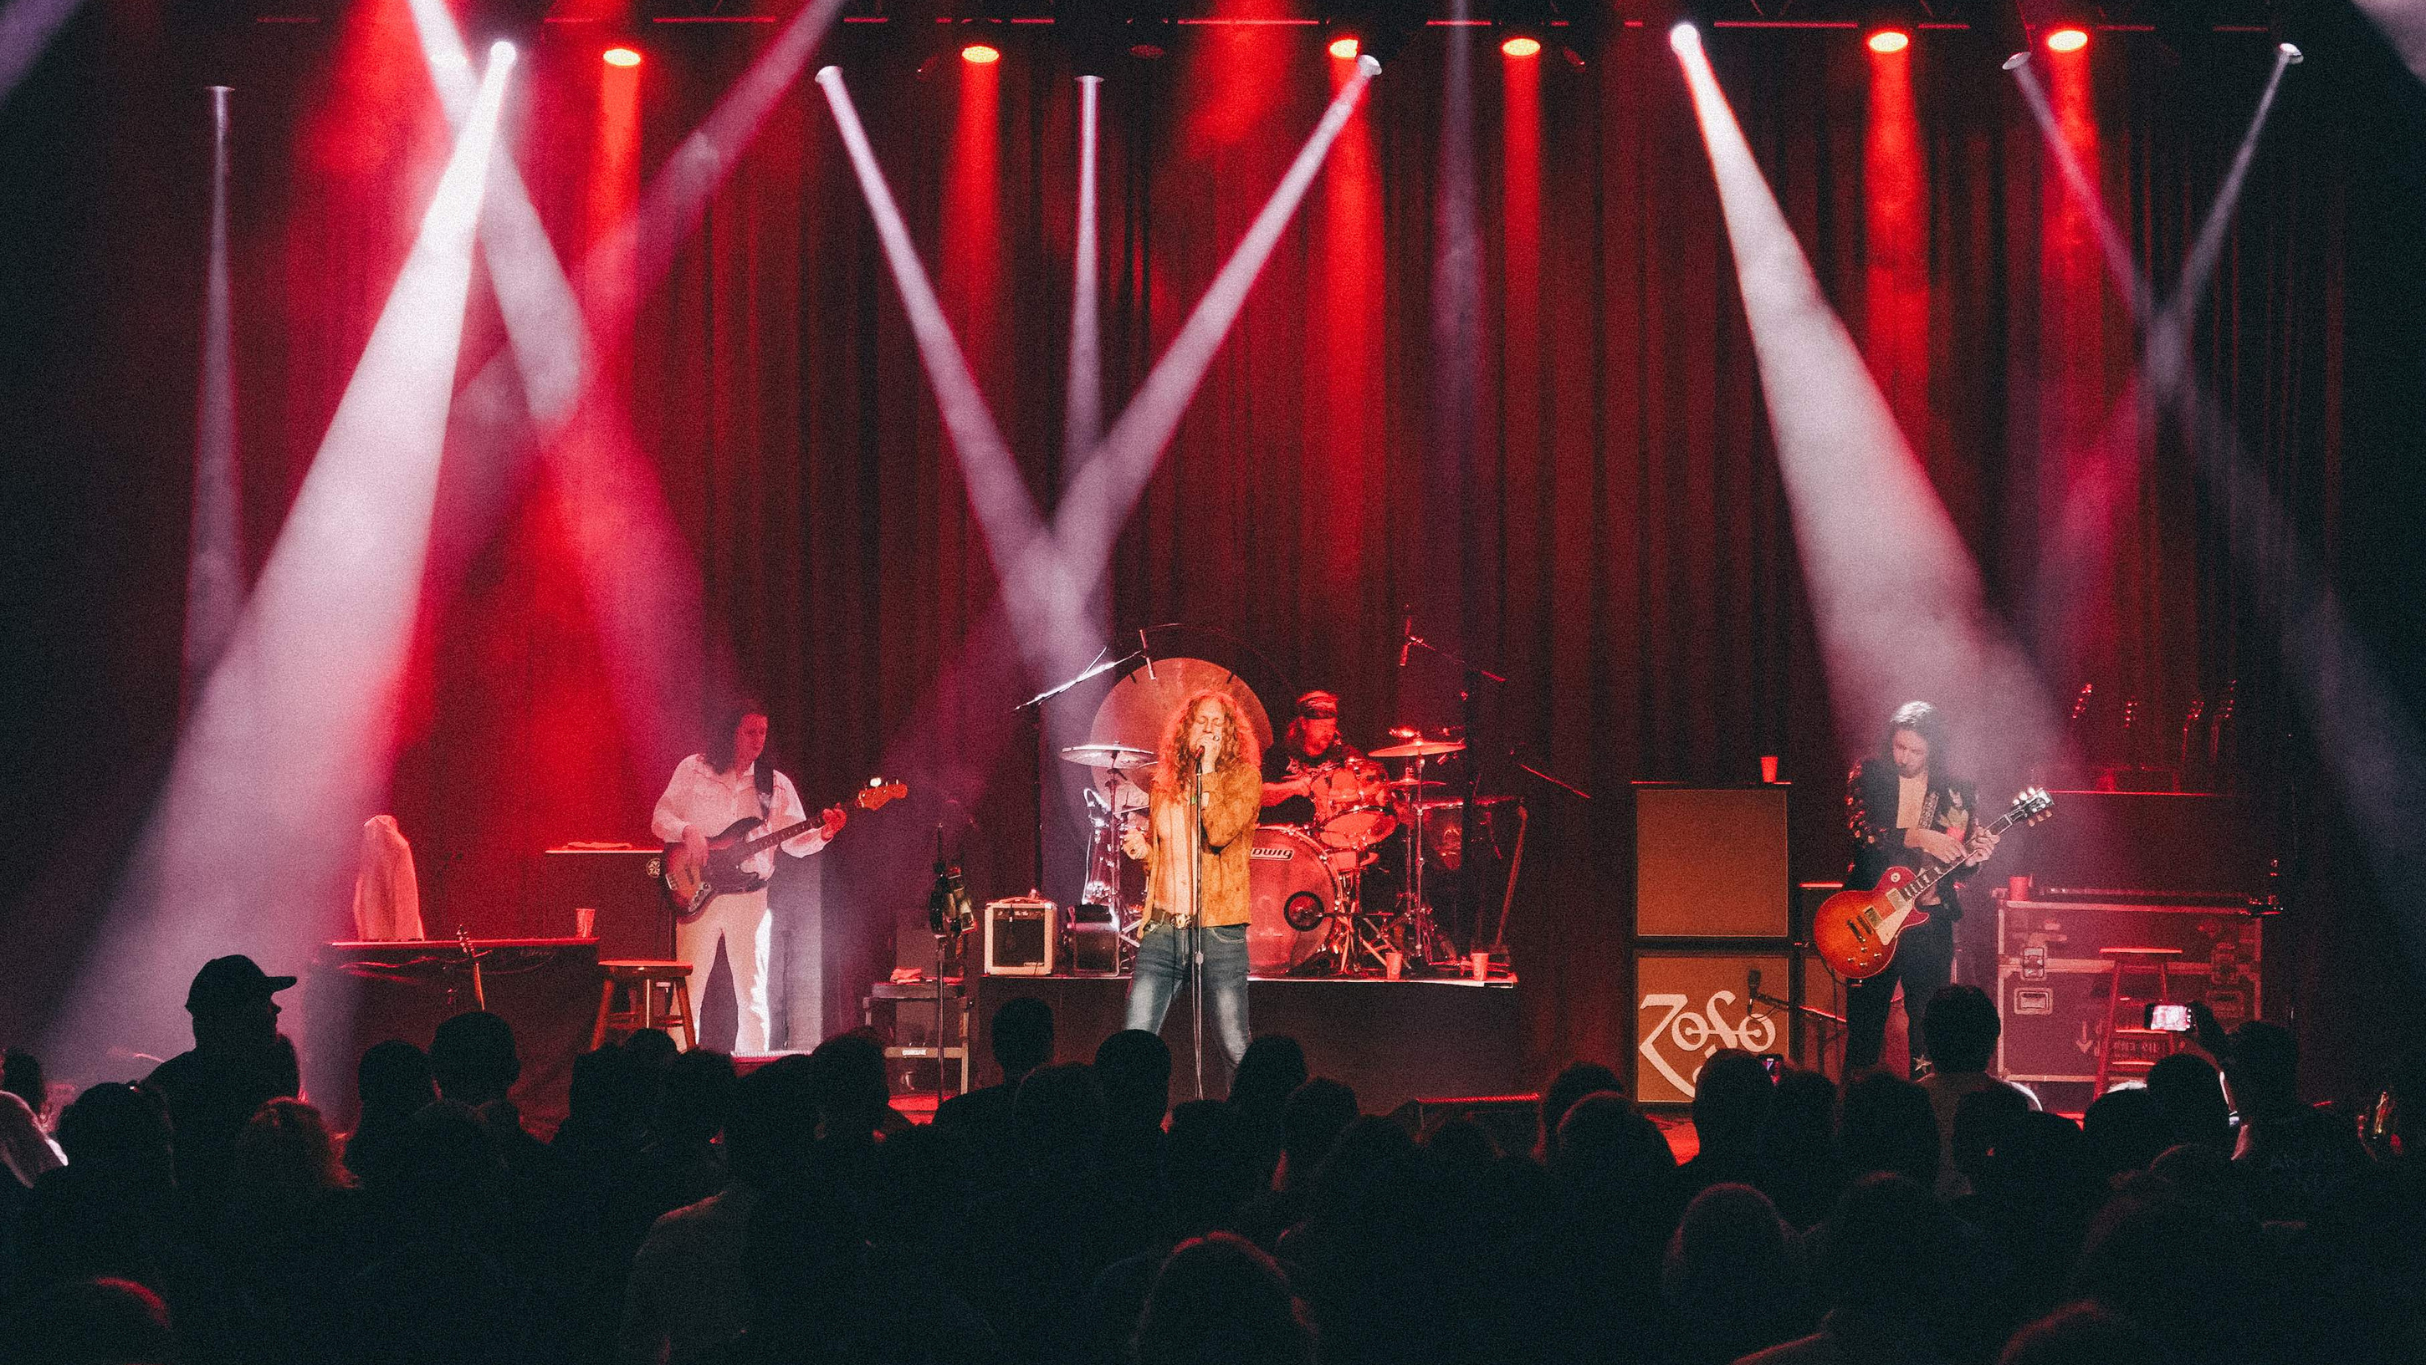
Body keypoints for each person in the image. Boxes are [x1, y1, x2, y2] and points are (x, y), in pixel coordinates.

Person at [652, 699, 847, 1055]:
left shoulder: (774, 784)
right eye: (750, 732)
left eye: (763, 732)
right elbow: (660, 818)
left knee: (752, 992)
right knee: (688, 990)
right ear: (732, 732)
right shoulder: (693, 769)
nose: (758, 740)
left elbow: (795, 843)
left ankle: (751, 1069)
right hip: (695, 890)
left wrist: (824, 832)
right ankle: (677, 1067)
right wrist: (687, 830)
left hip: (750, 896)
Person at [1843, 702, 1998, 1075]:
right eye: (1899, 747)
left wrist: (1975, 857)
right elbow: (1863, 831)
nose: (1905, 758)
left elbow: (1961, 866)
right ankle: (1855, 1102)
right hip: (1874, 913)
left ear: (1933, 751)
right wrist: (1920, 836)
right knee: (1864, 1029)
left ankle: (1929, 1104)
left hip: (1929, 921)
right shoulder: (1870, 774)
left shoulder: (1957, 790)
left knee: (1928, 1032)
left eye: (1916, 751)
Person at [1119, 690, 1263, 1068]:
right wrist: (1144, 852)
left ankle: (1251, 1107)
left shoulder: (1244, 780)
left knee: (1234, 1045)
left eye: (1219, 724)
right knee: (1134, 1041)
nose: (1210, 730)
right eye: (1202, 722)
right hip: (1163, 929)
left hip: (1218, 930)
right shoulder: (1164, 785)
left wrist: (1209, 773)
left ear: (1230, 733)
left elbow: (1219, 832)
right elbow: (1164, 862)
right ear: (1187, 729)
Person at [143, 955, 302, 1217]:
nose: (276, 1009)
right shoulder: (259, 1093)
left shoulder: (166, 1083)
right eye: (264, 1000)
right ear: (235, 1015)